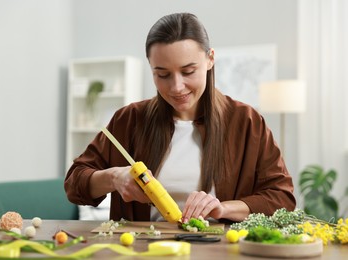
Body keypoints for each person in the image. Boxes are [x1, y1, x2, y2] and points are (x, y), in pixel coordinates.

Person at [64, 12, 296, 223]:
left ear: (210, 59)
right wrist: (114, 177)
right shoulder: (129, 119)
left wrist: (223, 209)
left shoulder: (247, 121)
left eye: (188, 72)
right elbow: (74, 183)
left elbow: (281, 198)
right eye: (162, 74)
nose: (176, 87)